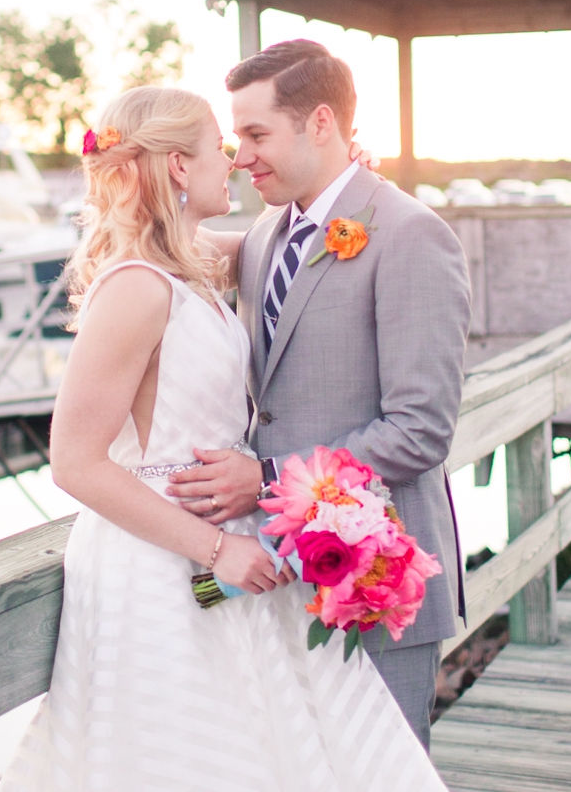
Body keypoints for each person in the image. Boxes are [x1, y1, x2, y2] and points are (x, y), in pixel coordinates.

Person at [0, 85, 446, 791]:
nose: (233, 162)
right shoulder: (136, 287)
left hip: (223, 559)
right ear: (179, 165)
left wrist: (341, 176)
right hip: (162, 560)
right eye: (219, 147)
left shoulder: (191, 263)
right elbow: (74, 462)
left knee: (260, 746)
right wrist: (217, 548)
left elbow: (297, 253)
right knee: (181, 757)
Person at [167, 39, 471, 748]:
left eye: (255, 133)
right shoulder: (272, 229)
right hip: (274, 578)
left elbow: (420, 429)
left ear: (322, 123)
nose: (240, 155)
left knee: (381, 768)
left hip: (376, 575)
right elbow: (166, 253)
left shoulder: (410, 235)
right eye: (236, 137)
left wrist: (267, 479)